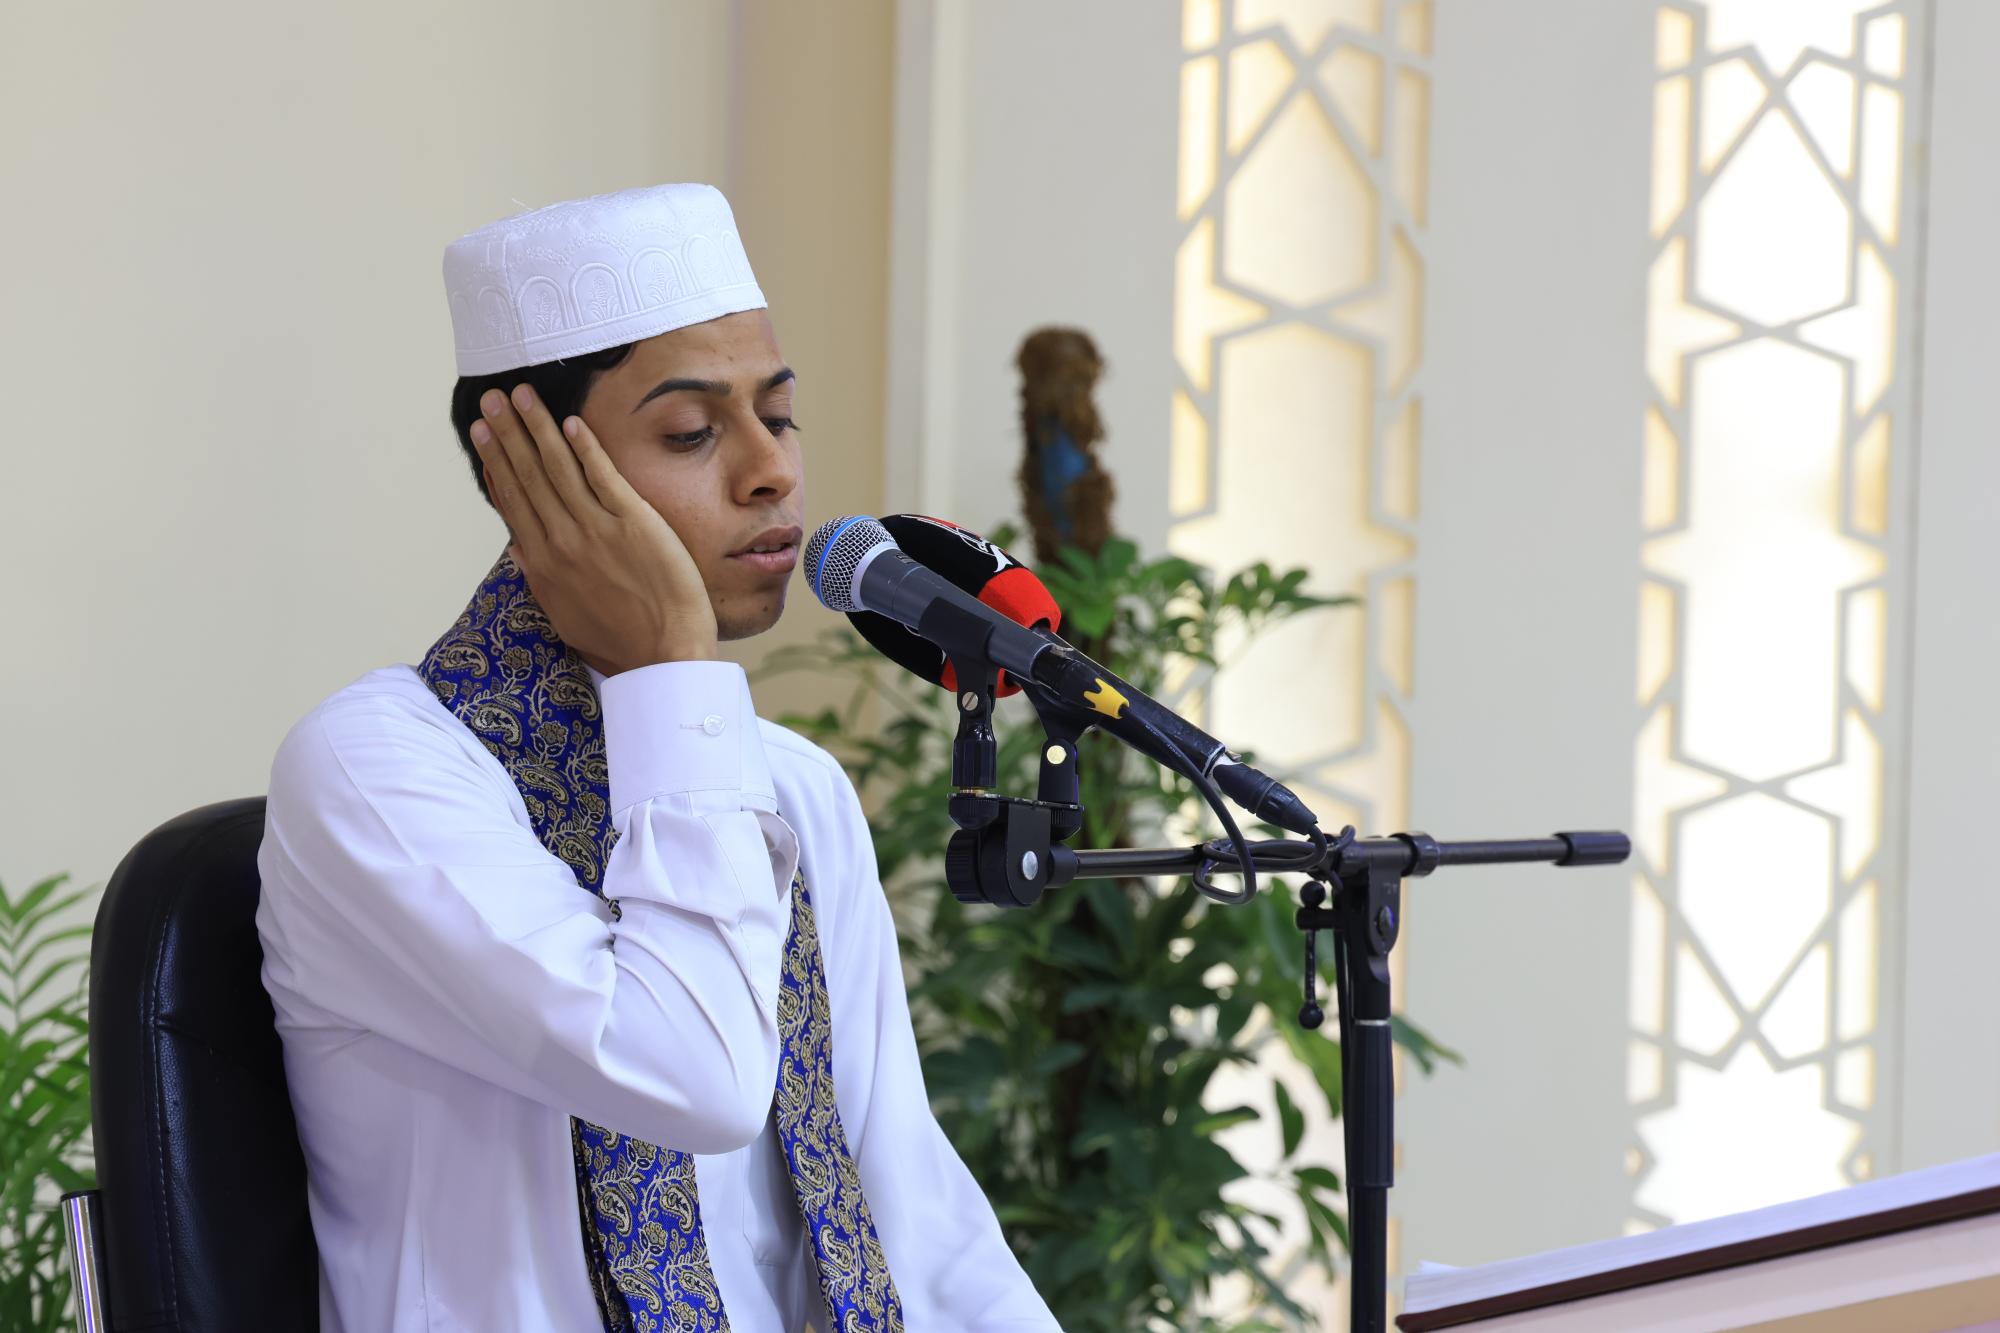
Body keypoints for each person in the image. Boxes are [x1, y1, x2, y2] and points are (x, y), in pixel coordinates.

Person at [255, 182, 1062, 1332]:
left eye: (779, 416)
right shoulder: (374, 770)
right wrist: (670, 660)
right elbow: (692, 1075)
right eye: (692, 432)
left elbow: (911, 1212)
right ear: (528, 473)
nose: (769, 471)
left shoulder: (789, 786)